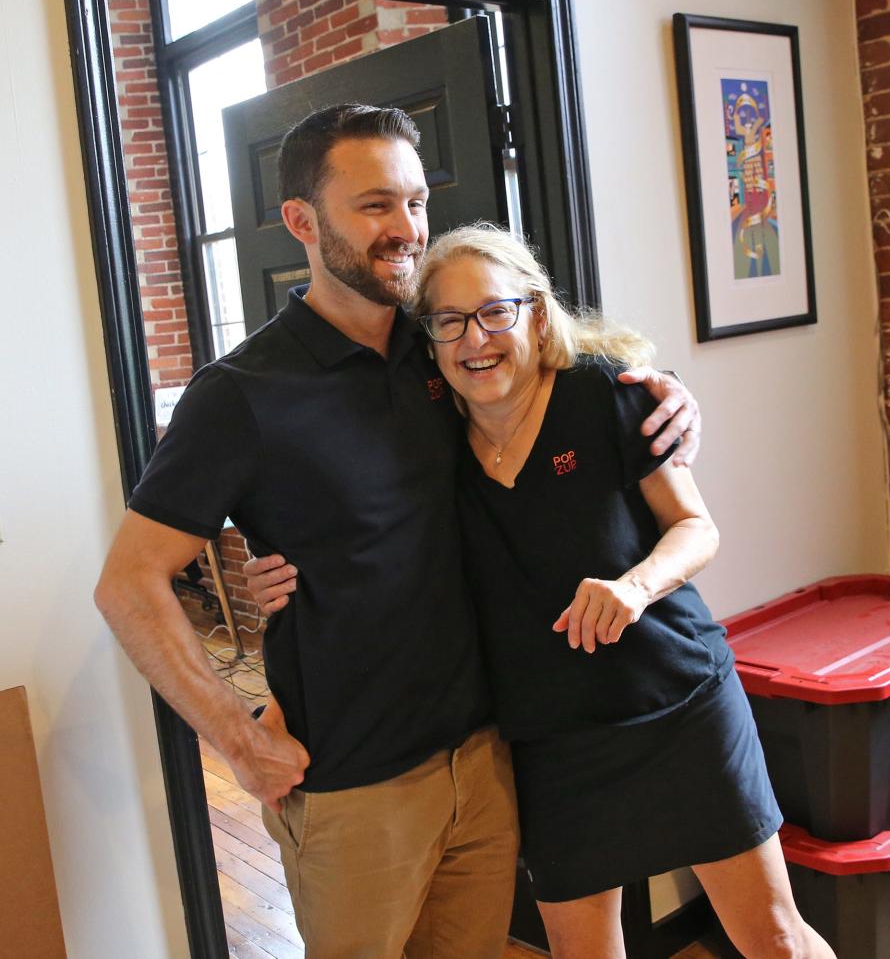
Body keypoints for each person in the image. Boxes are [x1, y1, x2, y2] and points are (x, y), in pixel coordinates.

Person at [94, 104, 702, 958]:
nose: (407, 229)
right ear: (302, 222)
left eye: (416, 203)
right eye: (376, 205)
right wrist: (235, 737)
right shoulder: (241, 393)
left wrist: (664, 392)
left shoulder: (443, 345)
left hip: (487, 760)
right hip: (351, 787)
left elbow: (568, 369)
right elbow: (128, 583)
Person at [248, 224, 835, 959]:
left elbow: (696, 528)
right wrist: (287, 592)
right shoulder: (431, 439)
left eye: (496, 311)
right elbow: (369, 557)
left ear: (534, 310)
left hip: (678, 707)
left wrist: (635, 586)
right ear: (428, 339)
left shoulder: (605, 394)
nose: (476, 340)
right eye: (449, 322)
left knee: (773, 939)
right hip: (550, 741)